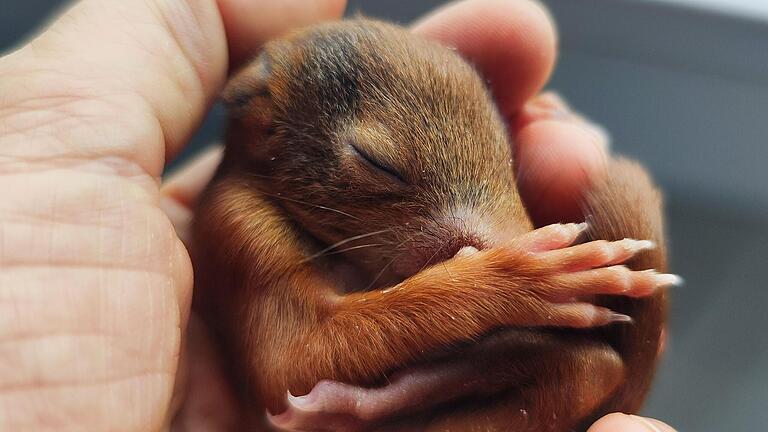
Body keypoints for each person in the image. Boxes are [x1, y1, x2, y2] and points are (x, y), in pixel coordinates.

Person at [0, 0, 676, 430]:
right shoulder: (244, 220)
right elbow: (298, 365)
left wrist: (557, 286)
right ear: (267, 130)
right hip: (336, 401)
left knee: (596, 373)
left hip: (439, 391)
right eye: (379, 168)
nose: (481, 237)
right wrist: (491, 290)